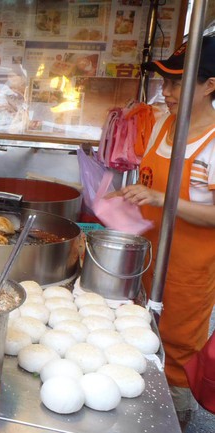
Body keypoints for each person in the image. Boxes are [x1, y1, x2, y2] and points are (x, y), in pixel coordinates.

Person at [115, 35, 215, 430]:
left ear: (210, 85)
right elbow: (148, 185)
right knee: (135, 336)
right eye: (165, 82)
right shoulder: (161, 124)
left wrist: (159, 198)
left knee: (175, 350)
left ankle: (177, 419)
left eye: (177, 83)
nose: (166, 92)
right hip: (146, 258)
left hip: (188, 272)